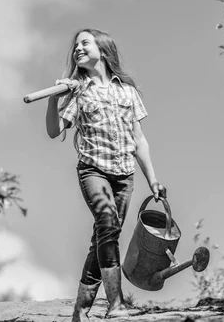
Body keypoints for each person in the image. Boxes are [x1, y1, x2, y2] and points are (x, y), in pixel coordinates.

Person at [45, 28, 166, 320]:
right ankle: (116, 303)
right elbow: (53, 131)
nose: (78, 48)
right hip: (93, 170)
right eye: (75, 45)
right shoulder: (78, 90)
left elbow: (139, 140)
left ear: (103, 48)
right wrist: (53, 98)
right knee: (108, 224)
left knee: (103, 235)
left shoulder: (128, 92)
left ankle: (81, 309)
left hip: (124, 176)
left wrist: (153, 179)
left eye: (84, 43)